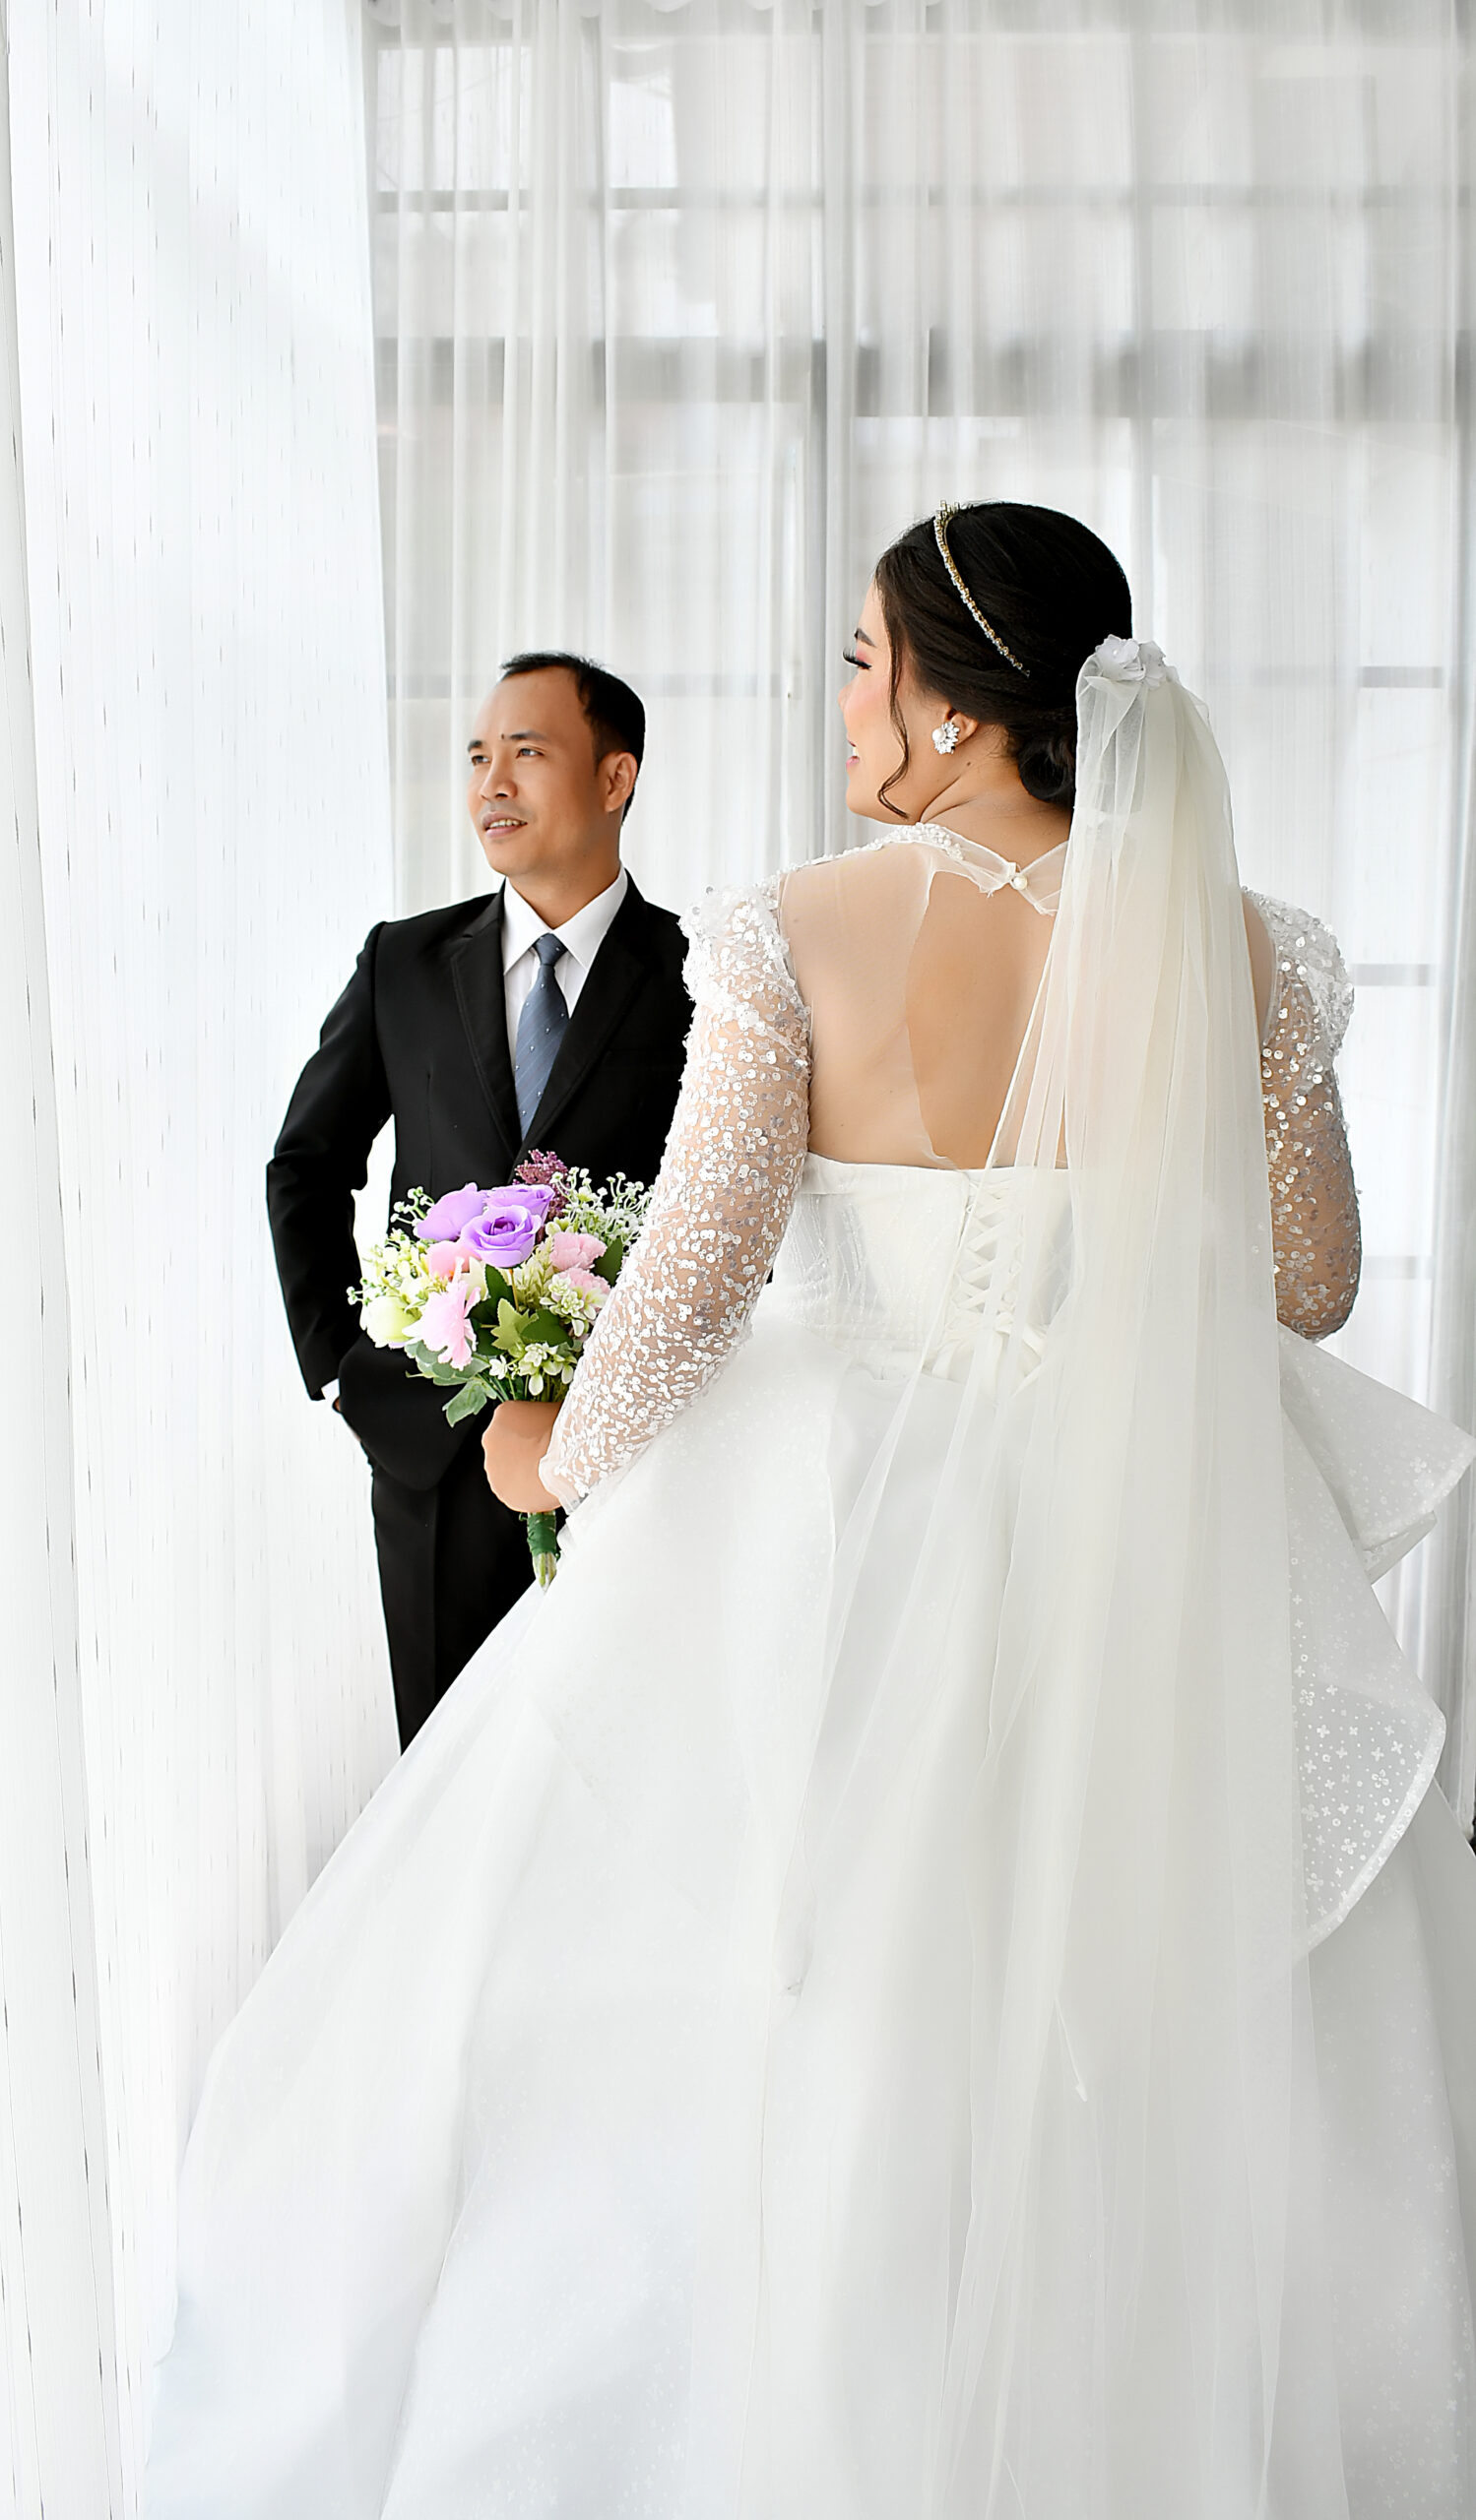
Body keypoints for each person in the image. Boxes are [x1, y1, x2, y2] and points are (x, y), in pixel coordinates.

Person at [152, 505, 1476, 2518]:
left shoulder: (794, 928)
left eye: (864, 661)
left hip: (847, 1537)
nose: (842, 697)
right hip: (1146, 1557)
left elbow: (692, 1281)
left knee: (809, 2008)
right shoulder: (1250, 950)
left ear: (952, 709)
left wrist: (547, 1458)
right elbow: (1306, 1282)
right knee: (1137, 2011)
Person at [267, 653, 691, 1746]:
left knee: (612, 1768)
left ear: (614, 778)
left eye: (527, 752)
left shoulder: (697, 974)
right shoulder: (403, 962)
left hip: (627, 1461)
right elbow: (307, 1161)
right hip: (432, 1448)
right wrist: (341, 1371)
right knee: (442, 1774)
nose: (490, 783)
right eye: (476, 757)